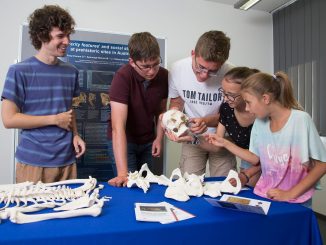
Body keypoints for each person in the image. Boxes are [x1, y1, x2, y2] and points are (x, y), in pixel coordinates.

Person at [208, 71, 326, 206]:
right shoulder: (259, 123)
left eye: (248, 102)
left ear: (265, 98)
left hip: (295, 200)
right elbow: (256, 158)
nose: (247, 108)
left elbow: (322, 165)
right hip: (266, 195)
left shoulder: (300, 120)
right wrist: (224, 144)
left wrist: (290, 194)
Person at [1, 5, 86, 183]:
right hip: (33, 164)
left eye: (68, 35)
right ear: (41, 36)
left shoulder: (71, 71)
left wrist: (76, 134)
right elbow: (9, 120)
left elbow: (68, 109)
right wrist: (54, 119)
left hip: (67, 162)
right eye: (61, 36)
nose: (67, 41)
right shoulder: (18, 71)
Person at [165, 30, 236, 177]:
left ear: (222, 64)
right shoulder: (177, 69)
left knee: (224, 186)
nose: (204, 76)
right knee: (189, 185)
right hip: (193, 136)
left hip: (222, 137)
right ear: (193, 53)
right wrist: (172, 122)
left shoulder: (231, 74)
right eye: (200, 67)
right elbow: (177, 103)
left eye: (212, 71)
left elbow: (231, 114)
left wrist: (206, 121)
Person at [107, 32, 168, 187]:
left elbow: (161, 112)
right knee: (130, 185)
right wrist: (122, 173)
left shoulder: (163, 76)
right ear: (132, 62)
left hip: (148, 139)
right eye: (146, 66)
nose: (152, 71)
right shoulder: (122, 77)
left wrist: (159, 138)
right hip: (125, 139)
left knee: (149, 184)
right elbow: (117, 128)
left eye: (156, 64)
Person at [202, 66, 261, 186]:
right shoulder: (226, 109)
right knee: (248, 193)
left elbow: (259, 159)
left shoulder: (262, 114)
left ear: (248, 93)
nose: (225, 98)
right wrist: (191, 138)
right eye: (223, 92)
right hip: (250, 160)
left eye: (231, 95)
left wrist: (225, 143)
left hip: (272, 160)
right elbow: (217, 144)